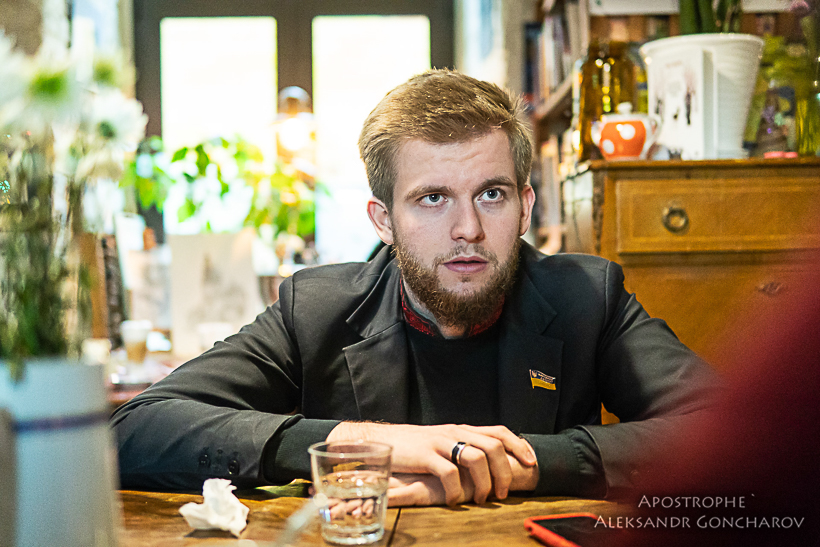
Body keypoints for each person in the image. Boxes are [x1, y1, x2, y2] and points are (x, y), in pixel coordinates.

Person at [111, 69, 715, 507]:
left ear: (525, 207)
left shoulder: (588, 297)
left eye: (492, 194)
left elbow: (730, 430)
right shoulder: (316, 310)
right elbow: (134, 428)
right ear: (383, 220)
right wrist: (356, 444)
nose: (467, 228)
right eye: (432, 199)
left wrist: (524, 464)